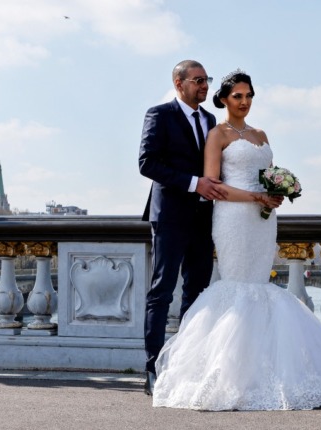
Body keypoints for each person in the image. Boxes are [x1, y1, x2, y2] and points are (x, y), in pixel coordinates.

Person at [152, 70, 321, 411]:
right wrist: (255, 197)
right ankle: (230, 374)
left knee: (260, 287)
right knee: (238, 287)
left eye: (249, 96)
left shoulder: (261, 134)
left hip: (263, 221)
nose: (244, 102)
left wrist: (278, 191)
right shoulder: (217, 135)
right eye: (237, 96)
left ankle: (265, 369)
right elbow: (213, 185)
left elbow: (268, 173)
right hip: (234, 218)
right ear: (223, 99)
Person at [138, 60, 228, 396]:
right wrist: (194, 184)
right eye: (199, 80)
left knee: (197, 292)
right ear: (179, 83)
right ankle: (152, 368)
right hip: (171, 216)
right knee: (162, 291)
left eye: (207, 80)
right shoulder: (159, 114)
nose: (205, 86)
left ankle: (186, 363)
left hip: (204, 218)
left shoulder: (209, 120)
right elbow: (147, 163)